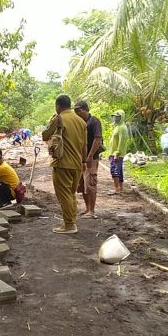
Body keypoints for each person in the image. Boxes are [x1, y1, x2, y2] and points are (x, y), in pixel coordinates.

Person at [41, 95, 87, 234]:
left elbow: (45, 136)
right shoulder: (81, 121)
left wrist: (52, 121)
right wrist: (84, 161)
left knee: (64, 194)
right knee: (71, 194)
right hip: (77, 163)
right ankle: (71, 221)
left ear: (58, 106)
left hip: (62, 163)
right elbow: (85, 145)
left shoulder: (59, 118)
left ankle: (69, 225)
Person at [73, 100, 103, 218]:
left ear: (86, 109)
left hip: (91, 158)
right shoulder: (79, 122)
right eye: (75, 111)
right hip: (80, 158)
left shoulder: (94, 121)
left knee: (90, 183)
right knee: (81, 184)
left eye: (79, 111)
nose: (77, 113)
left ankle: (92, 210)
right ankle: (87, 208)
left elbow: (97, 139)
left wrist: (90, 156)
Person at [107, 110, 130, 195]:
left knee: (115, 170)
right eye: (115, 116)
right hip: (113, 152)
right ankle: (120, 188)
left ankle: (116, 188)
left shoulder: (122, 128)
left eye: (117, 116)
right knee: (118, 170)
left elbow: (122, 142)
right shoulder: (117, 126)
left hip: (117, 153)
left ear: (122, 117)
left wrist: (117, 153)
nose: (115, 118)